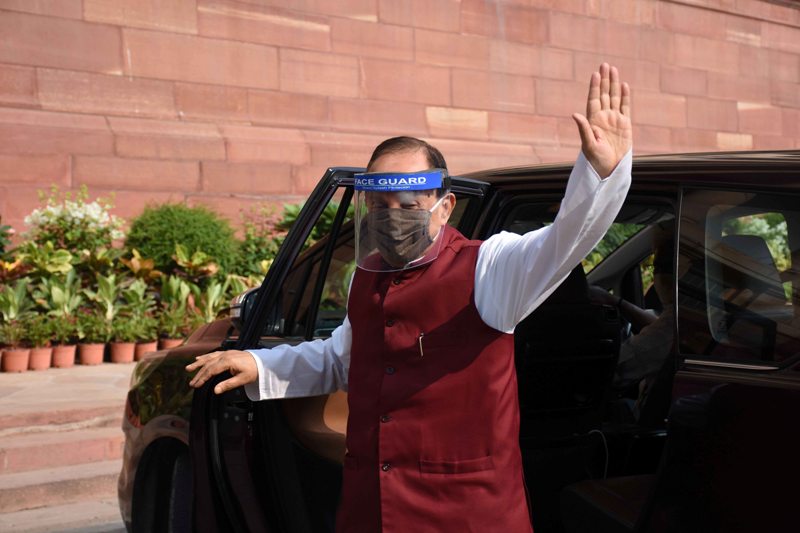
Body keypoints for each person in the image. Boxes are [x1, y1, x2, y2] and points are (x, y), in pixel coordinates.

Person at [187, 63, 633, 532]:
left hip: (463, 511)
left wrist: (600, 177)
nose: (391, 216)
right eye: (380, 205)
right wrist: (259, 364)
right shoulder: (369, 277)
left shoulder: (489, 267)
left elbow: (565, 241)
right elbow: (344, 359)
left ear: (444, 208)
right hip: (371, 507)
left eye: (408, 204)